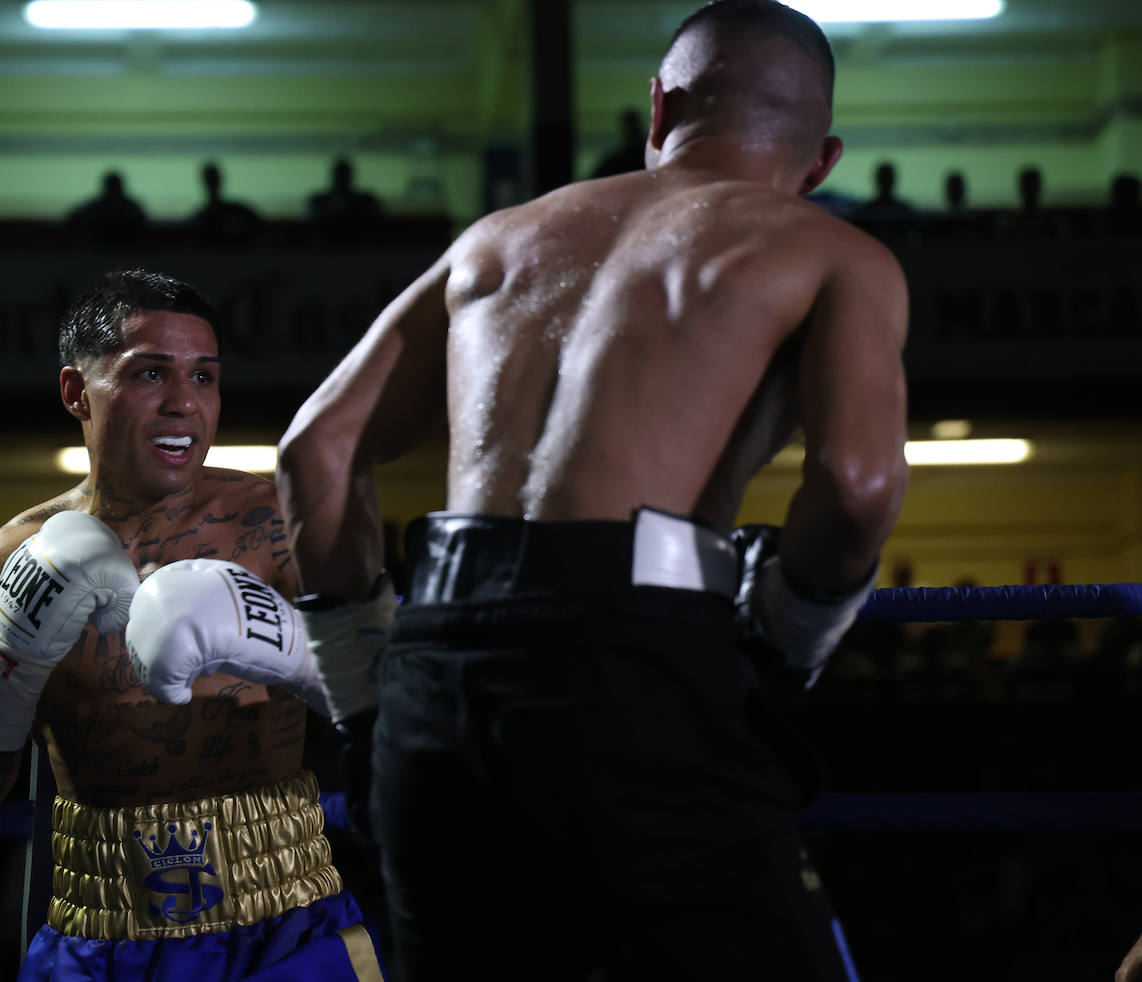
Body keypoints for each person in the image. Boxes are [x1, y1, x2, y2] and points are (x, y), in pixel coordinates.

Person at [275, 1, 909, 979]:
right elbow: (860, 486)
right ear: (821, 160)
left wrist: (366, 701)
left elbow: (315, 450)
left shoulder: (496, 239)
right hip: (631, 666)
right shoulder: (829, 249)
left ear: (657, 109)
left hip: (434, 687)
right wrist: (787, 637)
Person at [0, 269, 385, 980]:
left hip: (289, 925)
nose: (183, 404)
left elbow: (406, 730)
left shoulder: (282, 526)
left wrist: (299, 654)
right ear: (76, 392)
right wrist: (15, 654)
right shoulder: (2, 562)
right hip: (100, 933)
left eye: (204, 377)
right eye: (150, 373)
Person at [187, 161, 262, 247]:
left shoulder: (200, 218)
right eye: (210, 179)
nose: (212, 183)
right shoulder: (240, 210)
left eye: (212, 179)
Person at [65, 171, 149, 246]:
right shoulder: (132, 207)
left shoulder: (94, 207)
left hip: (97, 251)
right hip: (128, 253)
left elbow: (73, 217)